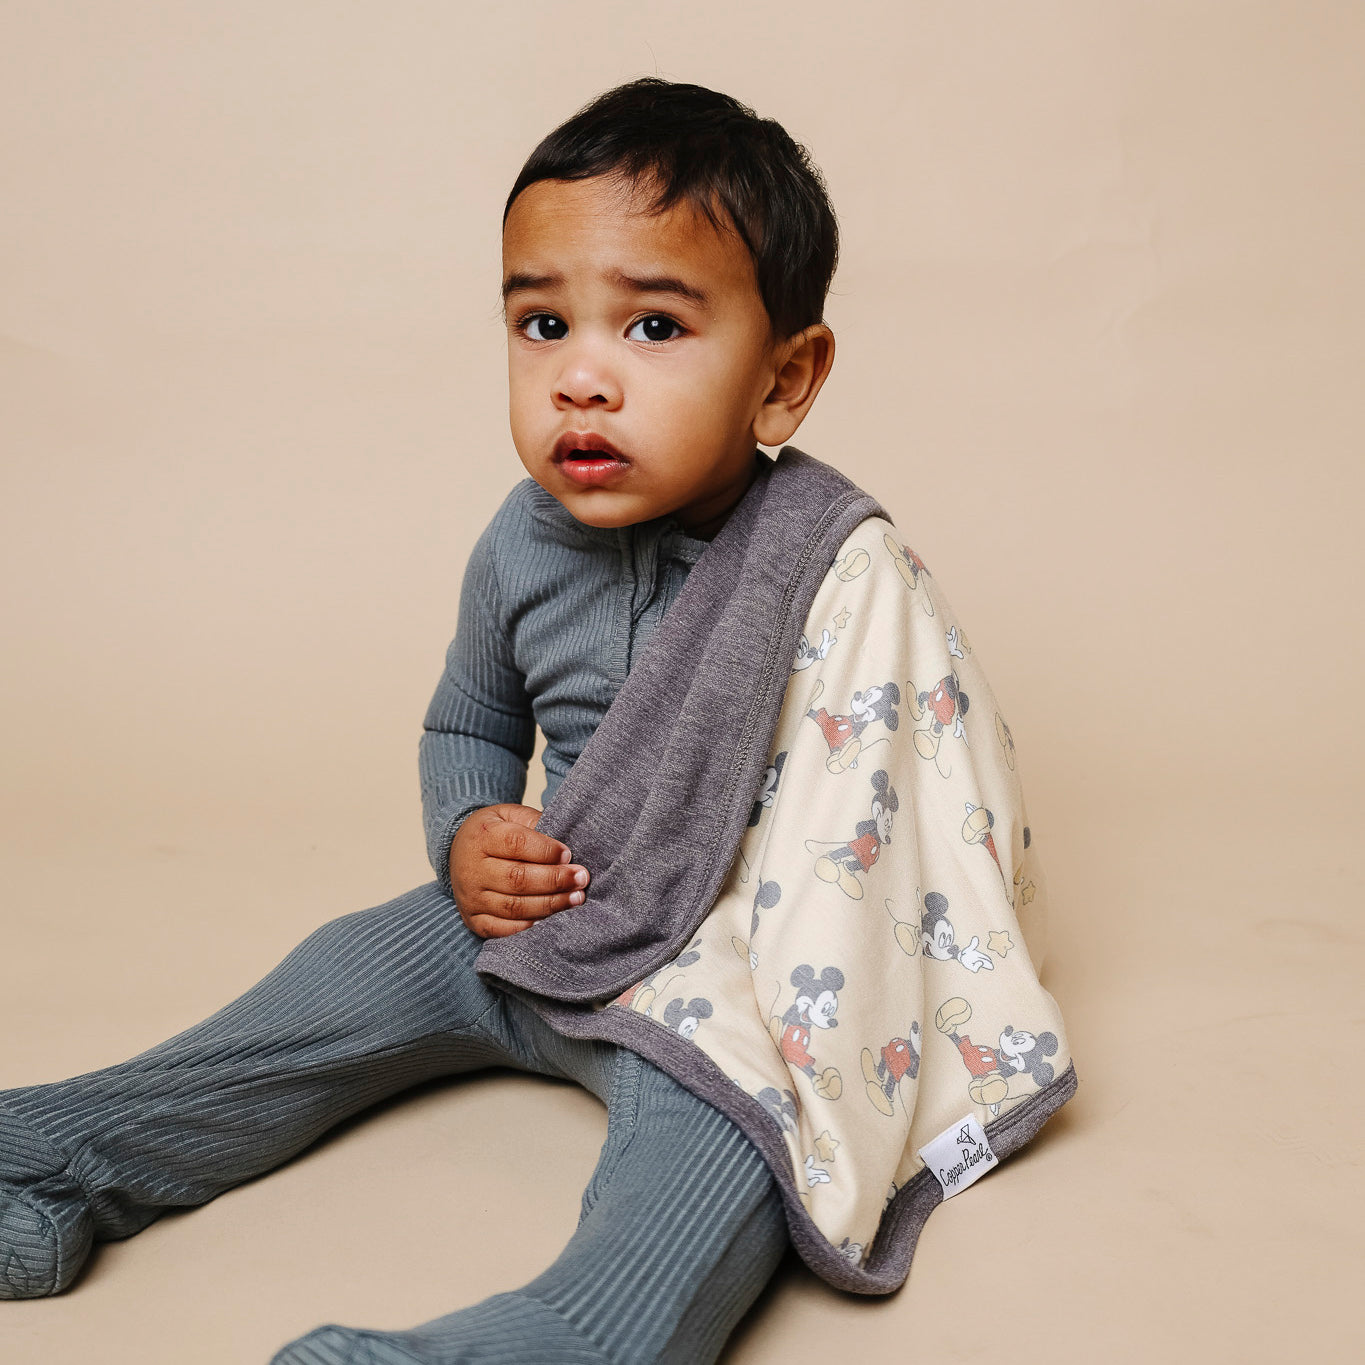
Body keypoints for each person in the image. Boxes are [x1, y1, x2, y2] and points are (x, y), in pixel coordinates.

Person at [0, 78, 843, 1363]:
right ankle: (53, 1158)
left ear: (783, 380)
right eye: (543, 323)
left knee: (722, 1156)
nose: (583, 378)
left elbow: (895, 792)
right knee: (329, 982)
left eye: (655, 327)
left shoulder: (825, 574)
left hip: (719, 977)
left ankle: (541, 1346)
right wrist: (468, 838)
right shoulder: (521, 544)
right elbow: (466, 724)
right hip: (541, 917)